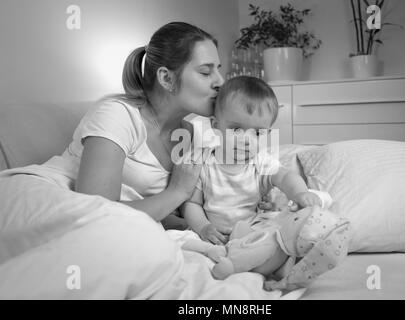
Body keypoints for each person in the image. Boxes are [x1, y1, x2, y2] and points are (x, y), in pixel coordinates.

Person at [0, 22, 227, 299]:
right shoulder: (118, 114)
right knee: (137, 240)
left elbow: (174, 210)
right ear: (167, 79)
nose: (220, 81)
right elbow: (99, 210)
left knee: (150, 248)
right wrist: (177, 191)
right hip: (40, 196)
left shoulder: (188, 134)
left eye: (219, 69)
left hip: (111, 222)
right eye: (206, 71)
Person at [181, 76, 332, 245]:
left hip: (254, 231)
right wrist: (203, 227)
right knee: (186, 242)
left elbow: (285, 177)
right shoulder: (203, 163)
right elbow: (192, 204)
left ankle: (279, 256)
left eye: (258, 133)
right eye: (236, 129)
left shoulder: (260, 162)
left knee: (280, 229)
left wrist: (300, 193)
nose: (246, 139)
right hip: (214, 235)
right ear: (216, 126)